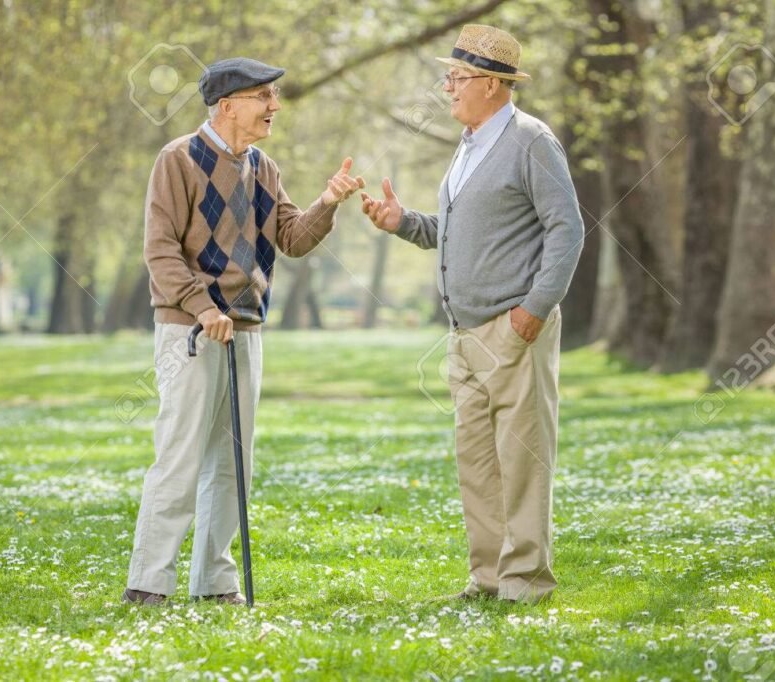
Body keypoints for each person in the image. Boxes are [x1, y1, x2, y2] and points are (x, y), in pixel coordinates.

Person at [123, 57, 364, 606]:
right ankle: (148, 584)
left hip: (247, 330)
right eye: (264, 96)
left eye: (274, 96)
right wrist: (201, 306)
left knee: (234, 466)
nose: (274, 106)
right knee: (180, 456)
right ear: (227, 105)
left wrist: (327, 202)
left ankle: (214, 583)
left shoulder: (264, 166)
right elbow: (160, 251)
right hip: (192, 331)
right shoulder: (177, 159)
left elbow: (293, 238)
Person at [361, 26, 584, 603]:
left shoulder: (532, 141)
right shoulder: (468, 145)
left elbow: (568, 229)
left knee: (522, 463)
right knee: (478, 465)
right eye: (449, 76)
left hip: (513, 331)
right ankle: (488, 579)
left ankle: (526, 584)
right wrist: (402, 221)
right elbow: (456, 233)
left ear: (491, 84)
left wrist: (533, 312)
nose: (448, 87)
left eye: (457, 78)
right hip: (463, 337)